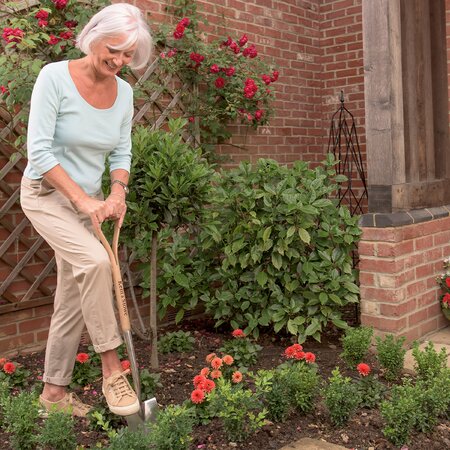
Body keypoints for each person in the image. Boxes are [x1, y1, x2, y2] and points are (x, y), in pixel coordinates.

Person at [20, 3, 152, 417]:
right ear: (93, 36)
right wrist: (81, 199)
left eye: (129, 55)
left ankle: (53, 396)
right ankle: (112, 369)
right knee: (95, 263)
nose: (119, 60)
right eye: (113, 49)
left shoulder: (125, 93)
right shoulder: (55, 77)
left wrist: (117, 192)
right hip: (47, 196)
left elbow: (121, 150)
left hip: (90, 204)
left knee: (73, 299)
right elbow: (38, 150)